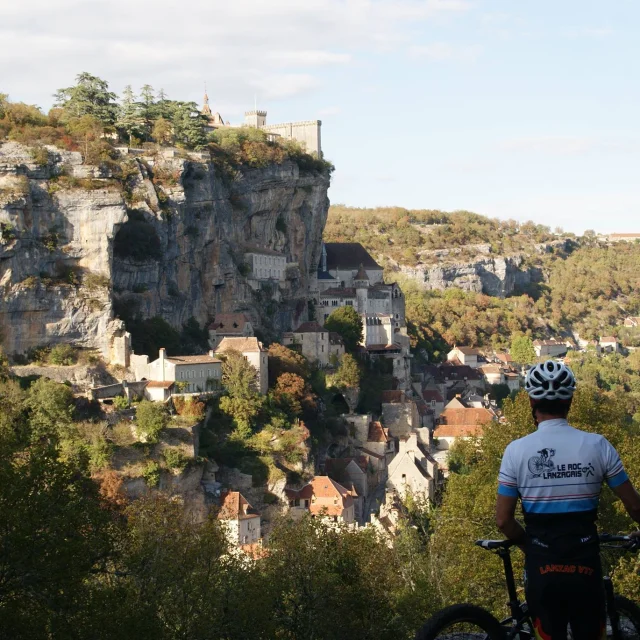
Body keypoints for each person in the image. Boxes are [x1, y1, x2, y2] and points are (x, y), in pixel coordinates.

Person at [496, 360, 640, 640]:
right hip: (585, 566)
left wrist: (530, 545)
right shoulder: (598, 446)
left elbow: (503, 520)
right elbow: (634, 506)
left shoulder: (516, 451)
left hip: (542, 567)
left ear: (531, 400)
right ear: (570, 400)